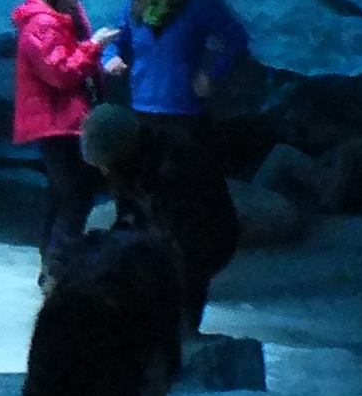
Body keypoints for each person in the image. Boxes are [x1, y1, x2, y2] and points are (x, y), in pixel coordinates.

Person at [79, 100, 241, 344]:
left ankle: (180, 338)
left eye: (105, 164)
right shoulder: (127, 161)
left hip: (203, 235)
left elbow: (190, 238)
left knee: (181, 284)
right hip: (168, 233)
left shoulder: (175, 160)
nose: (104, 171)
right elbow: (128, 213)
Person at [13, 0, 117, 286]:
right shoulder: (41, 25)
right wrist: (95, 47)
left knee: (64, 194)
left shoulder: (67, 14)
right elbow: (60, 73)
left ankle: (53, 265)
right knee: (76, 194)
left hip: (70, 120)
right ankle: (58, 269)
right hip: (56, 124)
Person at [105, 0, 249, 144]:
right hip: (142, 105)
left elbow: (236, 38)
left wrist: (212, 74)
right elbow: (115, 40)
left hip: (184, 108)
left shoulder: (197, 4)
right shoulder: (135, 6)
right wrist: (110, 58)